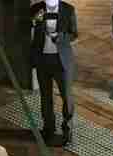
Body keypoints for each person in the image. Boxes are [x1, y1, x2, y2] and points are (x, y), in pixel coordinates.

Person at [30, 0, 78, 147]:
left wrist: (60, 36)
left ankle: (67, 130)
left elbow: (74, 34)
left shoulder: (68, 9)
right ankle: (48, 128)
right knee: (45, 96)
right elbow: (25, 28)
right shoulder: (36, 9)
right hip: (42, 59)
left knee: (66, 96)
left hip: (61, 61)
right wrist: (33, 21)